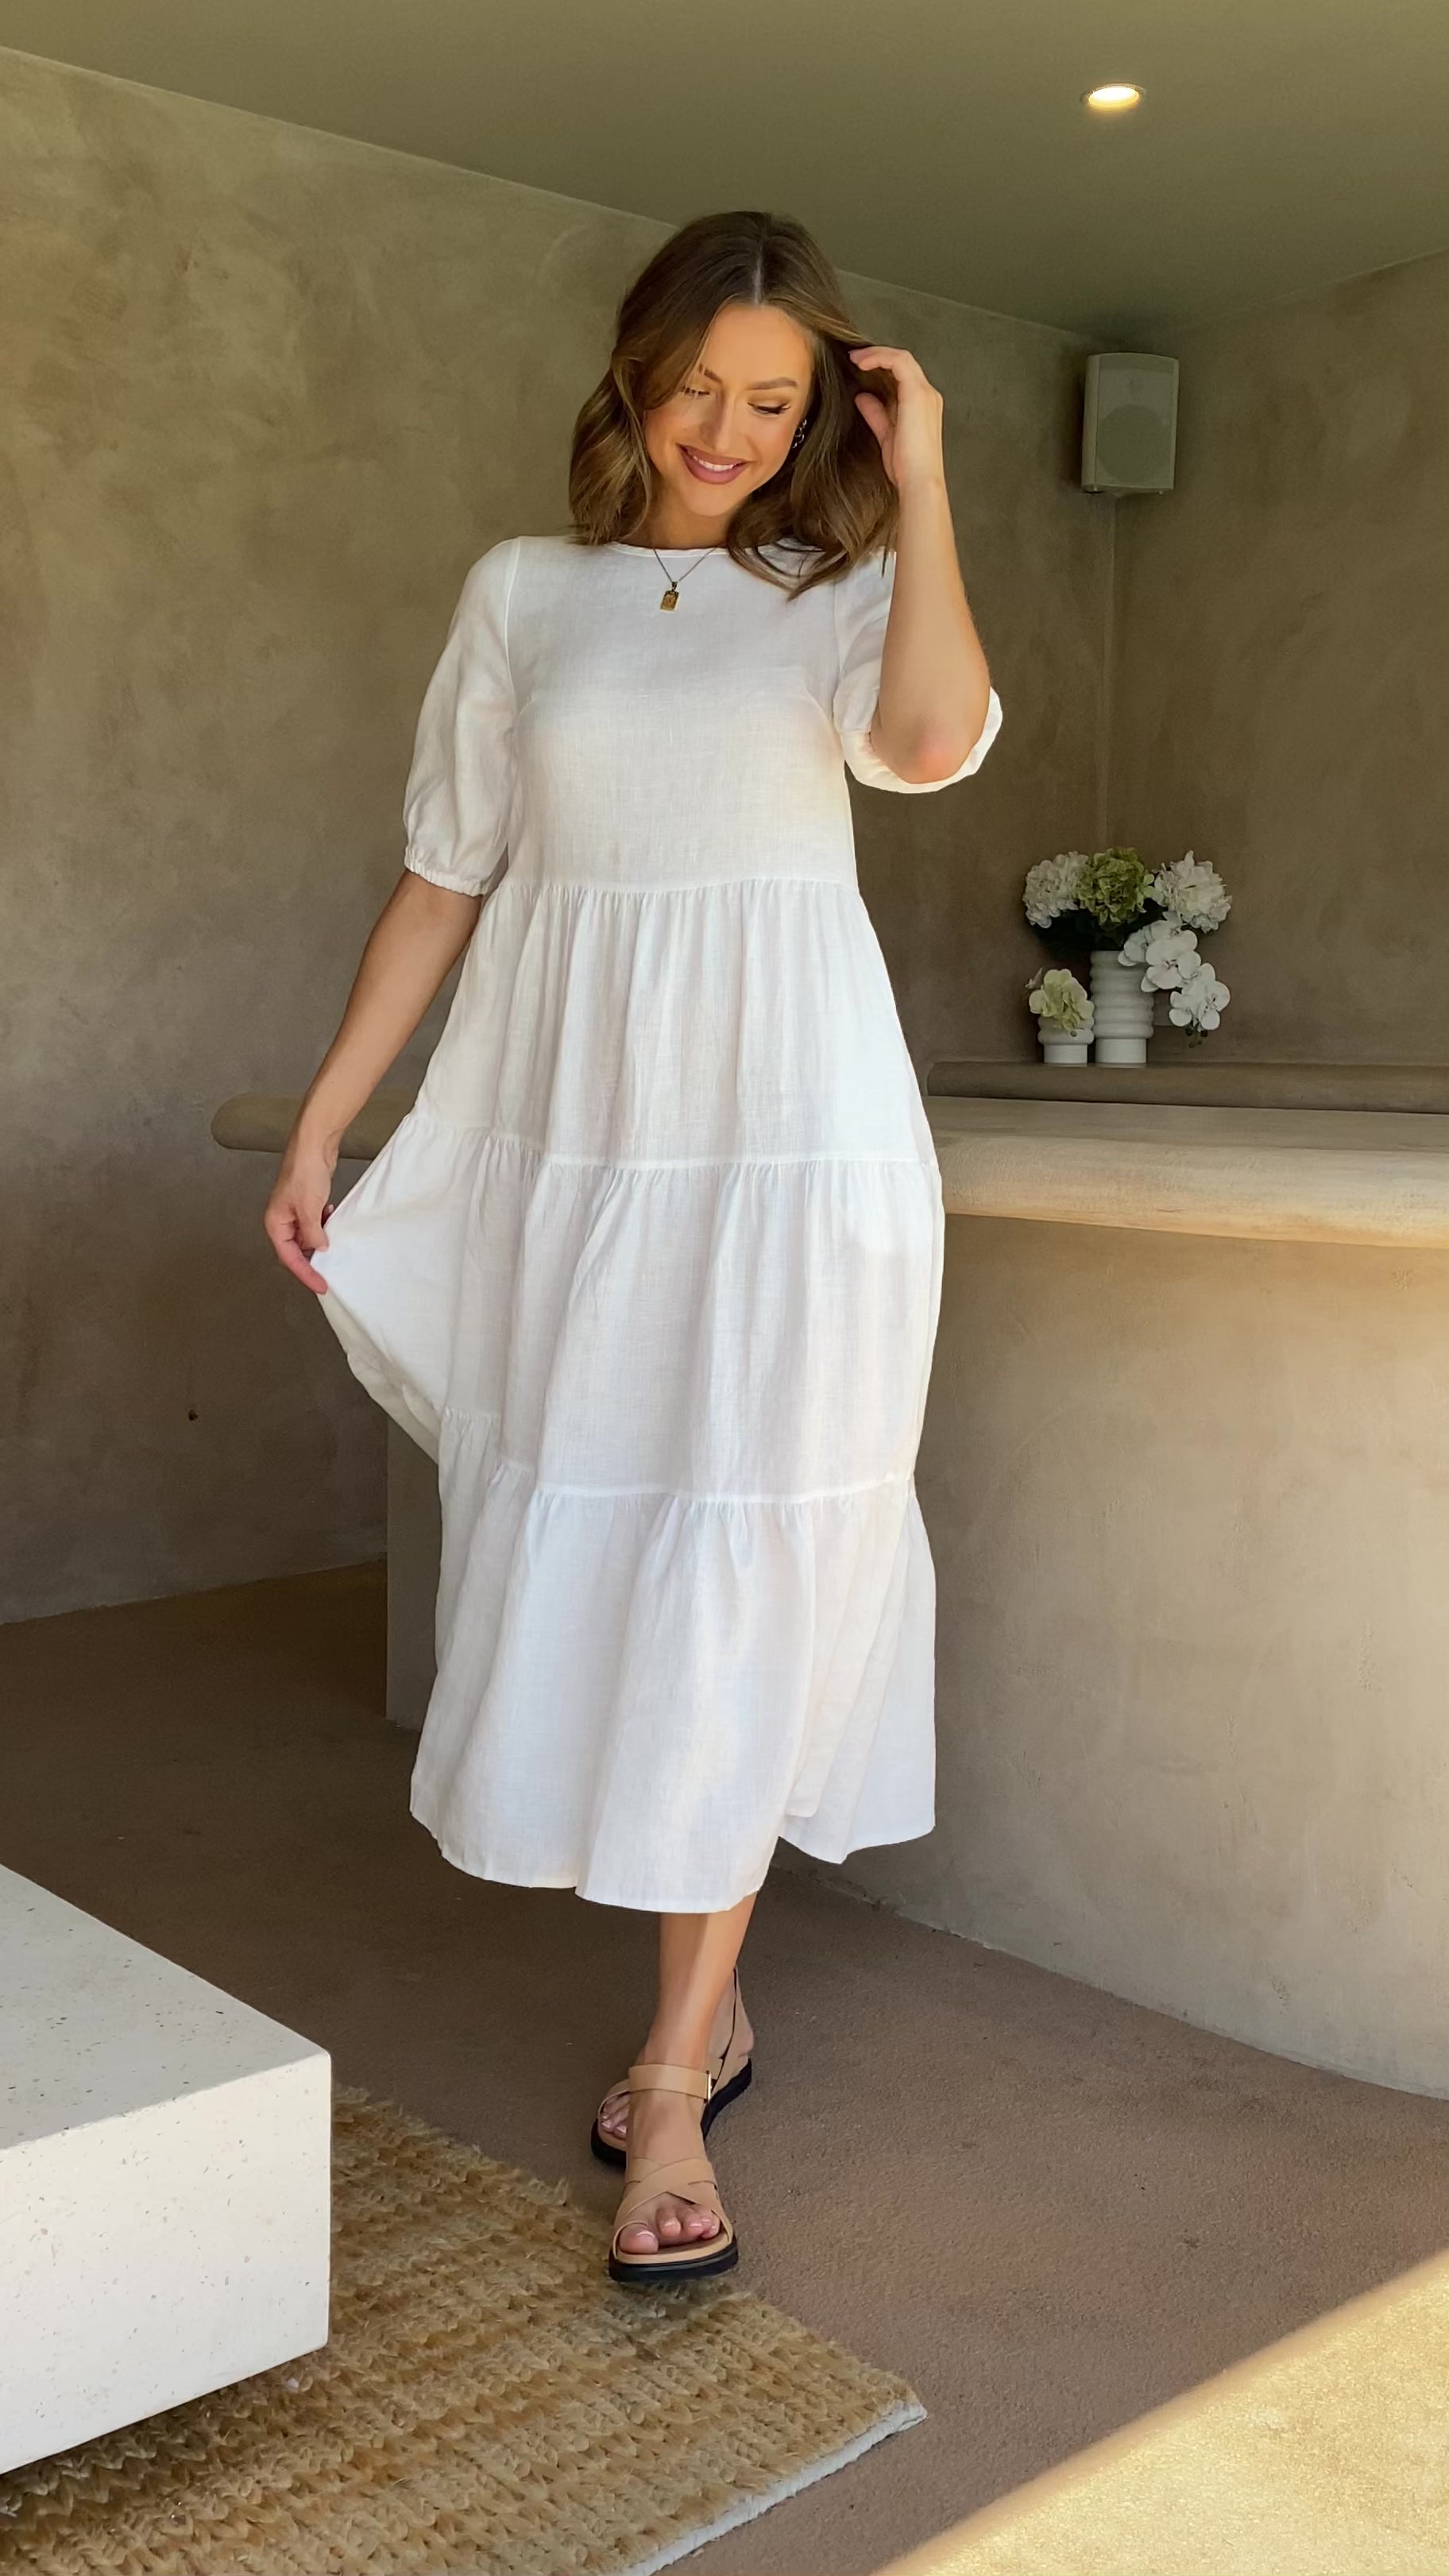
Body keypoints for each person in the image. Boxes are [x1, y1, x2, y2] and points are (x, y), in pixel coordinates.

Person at [265, 207, 1001, 2287]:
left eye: (775, 401)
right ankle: (714, 2000)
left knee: (753, 1540)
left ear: (824, 411)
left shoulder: (843, 587)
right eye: (700, 387)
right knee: (620, 1529)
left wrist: (926, 481)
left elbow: (930, 744)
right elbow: (446, 875)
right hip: (592, 1141)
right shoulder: (525, 594)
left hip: (798, 1147)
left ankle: (674, 2070)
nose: (730, 432)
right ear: (634, 370)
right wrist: (328, 1110)